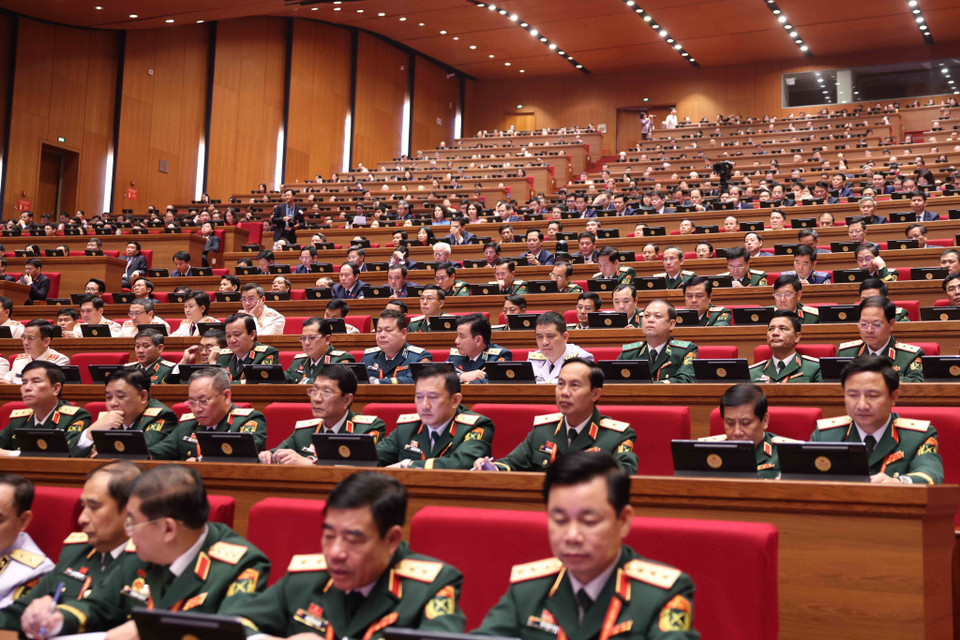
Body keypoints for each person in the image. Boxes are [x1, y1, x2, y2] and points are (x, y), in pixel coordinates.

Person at [21, 465, 271, 637]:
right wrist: (58, 619)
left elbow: (237, 632)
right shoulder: (141, 551)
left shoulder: (240, 564)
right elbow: (98, 605)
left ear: (168, 529)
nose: (127, 531)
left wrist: (155, 632)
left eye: (131, 521)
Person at [475, 451, 697, 639]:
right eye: (560, 520)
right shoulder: (526, 591)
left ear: (623, 521)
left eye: (589, 521)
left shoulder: (660, 595)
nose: (572, 536)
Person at [225, 471, 465, 638]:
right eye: (329, 536)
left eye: (353, 540)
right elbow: (234, 626)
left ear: (391, 540)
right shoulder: (304, 578)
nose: (336, 553)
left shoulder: (430, 587)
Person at [0, 462, 141, 628]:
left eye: (94, 507)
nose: (82, 518)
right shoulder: (76, 551)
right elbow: (19, 612)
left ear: (130, 511)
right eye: (83, 506)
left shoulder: (147, 561)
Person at [475, 359, 638, 473]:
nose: (564, 392)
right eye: (560, 384)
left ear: (595, 394)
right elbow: (511, 463)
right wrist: (490, 468)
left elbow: (623, 479)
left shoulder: (617, 436)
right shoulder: (542, 431)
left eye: (575, 385)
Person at [811, 355, 942, 483]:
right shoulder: (826, 435)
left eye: (872, 395)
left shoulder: (917, 437)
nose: (862, 405)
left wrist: (899, 482)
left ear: (893, 397)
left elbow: (930, 476)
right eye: (853, 395)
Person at [263, 365, 387, 465]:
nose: (317, 399)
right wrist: (267, 456)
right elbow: (276, 453)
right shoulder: (304, 432)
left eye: (327, 392)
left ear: (347, 400)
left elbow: (357, 468)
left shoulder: (367, 429)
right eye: (314, 390)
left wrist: (309, 464)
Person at [376, 364, 494, 468]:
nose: (424, 405)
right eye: (419, 397)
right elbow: (374, 459)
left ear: (455, 400)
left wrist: (407, 465)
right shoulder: (407, 427)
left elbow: (461, 463)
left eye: (433, 397)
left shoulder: (476, 426)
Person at [150, 368, 267, 460]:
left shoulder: (248, 421)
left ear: (226, 397)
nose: (197, 409)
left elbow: (242, 454)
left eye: (203, 401)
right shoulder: (187, 425)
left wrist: (199, 461)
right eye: (192, 402)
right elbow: (157, 453)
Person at [699, 383, 799, 479]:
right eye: (730, 423)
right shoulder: (708, 451)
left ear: (764, 420)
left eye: (745, 423)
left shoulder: (788, 455)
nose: (737, 432)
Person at [70, 368, 178, 457]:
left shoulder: (162, 416)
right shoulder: (107, 420)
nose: (113, 403)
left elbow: (139, 451)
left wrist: (104, 453)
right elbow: (70, 455)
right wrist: (90, 432)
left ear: (143, 396)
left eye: (121, 396)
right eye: (108, 397)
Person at [0, 361, 91, 456]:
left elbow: (67, 454)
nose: (27, 387)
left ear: (56, 388)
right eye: (24, 382)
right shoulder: (19, 420)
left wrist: (14, 454)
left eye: (36, 381)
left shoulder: (76, 417)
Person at [837, 296, 923, 382]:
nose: (869, 330)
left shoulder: (909, 357)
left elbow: (916, 387)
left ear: (891, 324)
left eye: (876, 324)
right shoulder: (845, 353)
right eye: (864, 324)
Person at [616, 300, 697, 383]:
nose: (650, 320)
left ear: (671, 324)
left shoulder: (685, 351)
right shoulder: (629, 353)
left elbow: (686, 381)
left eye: (657, 316)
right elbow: (613, 381)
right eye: (646, 316)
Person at [750, 310, 822, 383]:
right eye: (771, 329)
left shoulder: (815, 369)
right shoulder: (752, 372)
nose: (775, 333)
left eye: (783, 328)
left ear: (797, 337)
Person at [361, 309, 432, 384]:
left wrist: (376, 382)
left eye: (388, 330)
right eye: (379, 331)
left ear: (403, 333)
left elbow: (417, 380)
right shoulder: (368, 357)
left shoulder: (419, 357)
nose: (382, 335)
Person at [285, 317, 356, 384]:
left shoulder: (340, 359)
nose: (306, 343)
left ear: (327, 339)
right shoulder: (298, 361)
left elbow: (335, 382)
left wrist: (306, 382)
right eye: (303, 338)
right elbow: (284, 379)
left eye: (312, 337)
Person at [528, 312, 594, 384]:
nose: (544, 342)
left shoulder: (581, 358)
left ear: (565, 337)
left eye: (550, 336)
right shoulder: (533, 359)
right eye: (540, 337)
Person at [447, 313, 512, 383]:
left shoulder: (500, 355)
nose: (456, 341)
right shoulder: (455, 356)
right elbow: (439, 377)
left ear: (478, 340)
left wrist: (455, 379)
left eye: (461, 336)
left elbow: (489, 382)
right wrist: (460, 376)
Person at [216, 314, 280, 382]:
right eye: (228, 336)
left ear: (252, 335)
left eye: (237, 335)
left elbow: (260, 384)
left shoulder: (266, 354)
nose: (232, 340)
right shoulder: (224, 356)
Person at [4, 320, 70, 384]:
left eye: (31, 338)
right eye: (23, 338)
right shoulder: (19, 360)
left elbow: (48, 387)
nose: (25, 342)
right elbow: (6, 380)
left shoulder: (59, 361)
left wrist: (13, 384)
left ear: (46, 341)